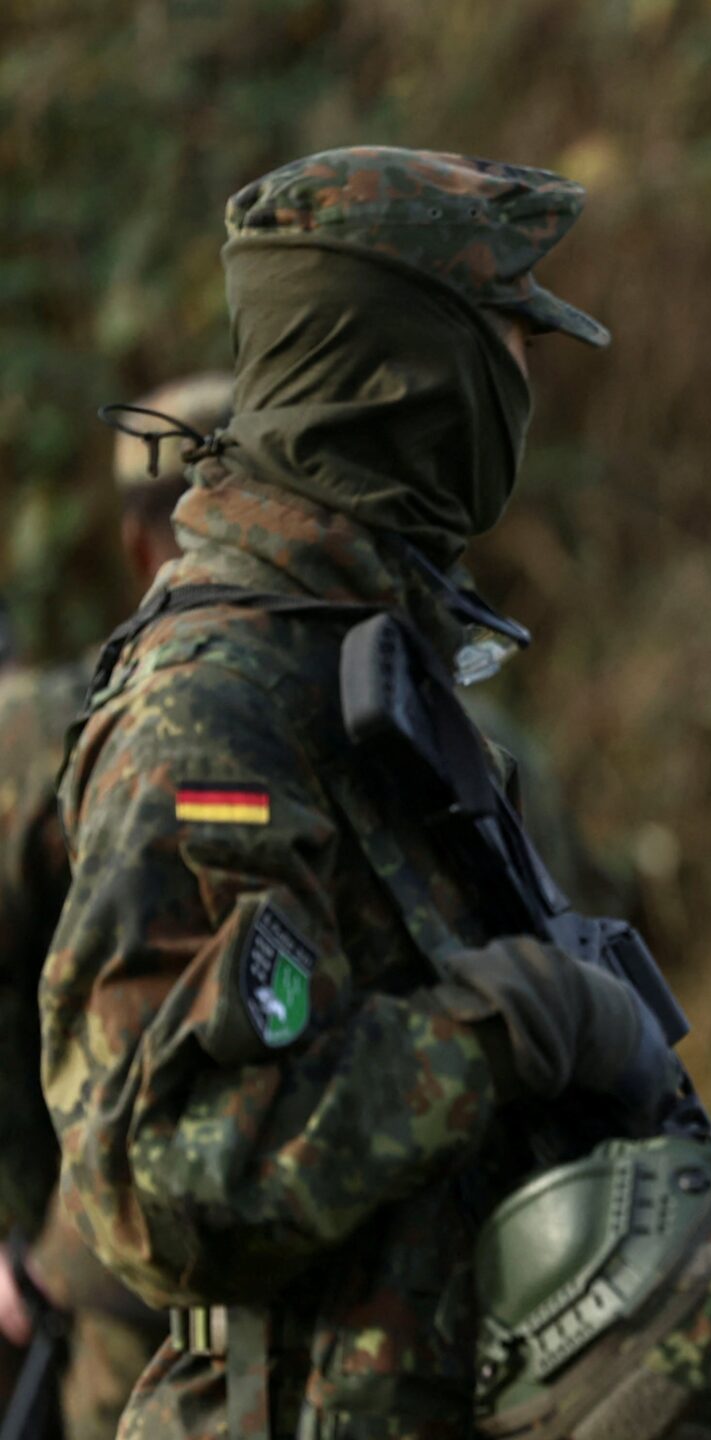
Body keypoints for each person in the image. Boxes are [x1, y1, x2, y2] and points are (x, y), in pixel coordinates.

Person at [42, 147, 711, 1440]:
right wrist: (502, 1031)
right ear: (401, 364)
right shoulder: (220, 702)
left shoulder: (371, 665)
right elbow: (167, 1180)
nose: (525, 388)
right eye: (505, 342)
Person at [0, 373, 229, 1440]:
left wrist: (49, 1263)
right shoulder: (376, 670)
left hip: (118, 1277)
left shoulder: (69, 725)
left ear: (140, 540)